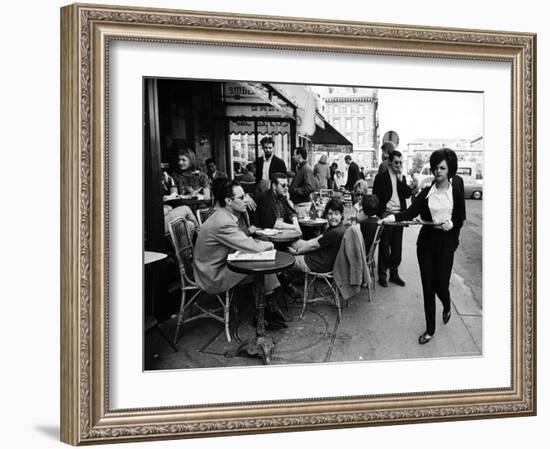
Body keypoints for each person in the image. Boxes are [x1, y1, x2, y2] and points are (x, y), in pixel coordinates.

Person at [381, 148, 466, 344]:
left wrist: (451, 224)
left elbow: (460, 219)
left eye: (442, 168)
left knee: (441, 286)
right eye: (436, 167)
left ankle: (446, 305)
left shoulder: (456, 194)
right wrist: (390, 218)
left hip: (446, 245)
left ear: (450, 170)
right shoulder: (427, 192)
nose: (438, 171)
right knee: (428, 287)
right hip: (426, 244)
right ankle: (430, 329)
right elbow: (410, 212)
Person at [193, 181, 286, 329]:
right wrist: (270, 244)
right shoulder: (224, 222)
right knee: (262, 264)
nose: (246, 200)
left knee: (262, 263)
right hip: (212, 275)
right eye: (242, 197)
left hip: (219, 263)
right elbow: (253, 247)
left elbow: (243, 240)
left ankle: (269, 308)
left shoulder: (224, 215)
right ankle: (267, 310)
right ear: (228, 201)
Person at [372, 150, 412, 287]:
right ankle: (382, 276)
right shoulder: (381, 178)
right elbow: (375, 199)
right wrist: (382, 214)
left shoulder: (401, 178)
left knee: (397, 248)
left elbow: (407, 194)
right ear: (389, 162)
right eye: (396, 162)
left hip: (399, 216)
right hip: (387, 215)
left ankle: (394, 275)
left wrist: (401, 181)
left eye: (401, 163)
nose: (399, 165)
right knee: (384, 247)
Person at [287, 198, 346, 274]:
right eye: (330, 214)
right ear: (326, 215)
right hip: (322, 260)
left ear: (341, 215)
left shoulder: (334, 232)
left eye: (336, 214)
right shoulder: (340, 228)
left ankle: (287, 282)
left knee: (287, 261)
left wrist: (296, 252)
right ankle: (297, 279)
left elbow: (313, 246)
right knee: (296, 244)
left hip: (317, 264)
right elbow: (318, 239)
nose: (333, 217)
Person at [289, 147, 315, 211]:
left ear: (299, 155)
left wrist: (294, 190)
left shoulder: (306, 169)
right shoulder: (301, 168)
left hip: (303, 206)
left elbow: (310, 187)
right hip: (299, 204)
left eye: (294, 154)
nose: (293, 157)